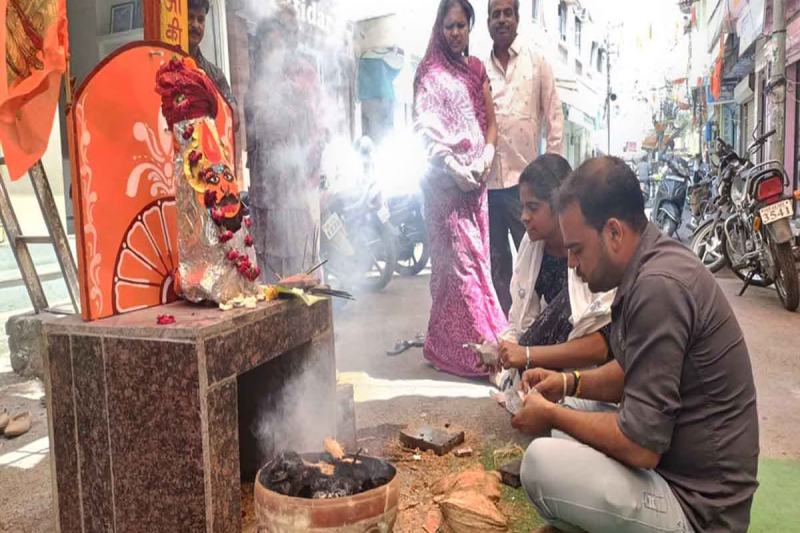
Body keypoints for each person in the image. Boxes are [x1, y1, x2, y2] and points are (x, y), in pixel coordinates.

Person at [511, 157, 759, 533]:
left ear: (613, 232)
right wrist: (566, 384)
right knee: (568, 419)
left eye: (577, 250)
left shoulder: (659, 286)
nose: (574, 265)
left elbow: (641, 446)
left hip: (700, 511)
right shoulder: (650, 262)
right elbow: (631, 371)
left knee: (542, 463)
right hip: (675, 470)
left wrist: (551, 413)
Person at [413, 0, 507, 378]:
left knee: (476, 264)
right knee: (457, 268)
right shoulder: (428, 72)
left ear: (470, 28)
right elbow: (421, 128)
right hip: (443, 189)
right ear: (440, 28)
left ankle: (442, 346)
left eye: (461, 26)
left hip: (474, 187)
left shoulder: (476, 70)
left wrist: (486, 155)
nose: (455, 33)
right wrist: (449, 165)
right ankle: (484, 347)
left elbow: (491, 123)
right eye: (449, 26)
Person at [494, 154, 613, 376]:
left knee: (569, 300)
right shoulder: (531, 247)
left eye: (533, 207)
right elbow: (521, 324)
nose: (524, 217)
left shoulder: (594, 247)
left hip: (596, 370)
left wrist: (527, 355)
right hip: (549, 360)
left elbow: (601, 344)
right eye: (523, 207)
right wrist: (501, 350)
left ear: (560, 205)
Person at [485, 0, 564, 315]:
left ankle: (543, 326)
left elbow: (555, 118)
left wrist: (552, 178)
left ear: (517, 18)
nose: (501, 20)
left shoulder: (537, 62)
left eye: (507, 13)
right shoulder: (479, 68)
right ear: (488, 21)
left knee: (534, 261)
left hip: (524, 187)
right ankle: (508, 329)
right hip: (488, 185)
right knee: (497, 264)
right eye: (495, 15)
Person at [245, 9, 324, 281]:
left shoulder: (297, 91)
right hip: (263, 197)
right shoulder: (252, 94)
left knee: (298, 267)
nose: (273, 55)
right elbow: (252, 146)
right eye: (267, 48)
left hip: (293, 196)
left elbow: (315, 138)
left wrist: (310, 175)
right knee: (268, 272)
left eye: (277, 47)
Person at [188, 0, 235, 105]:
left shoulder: (216, 75)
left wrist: (232, 106)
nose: (195, 25)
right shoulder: (167, 63)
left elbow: (231, 110)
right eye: (190, 17)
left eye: (200, 20)